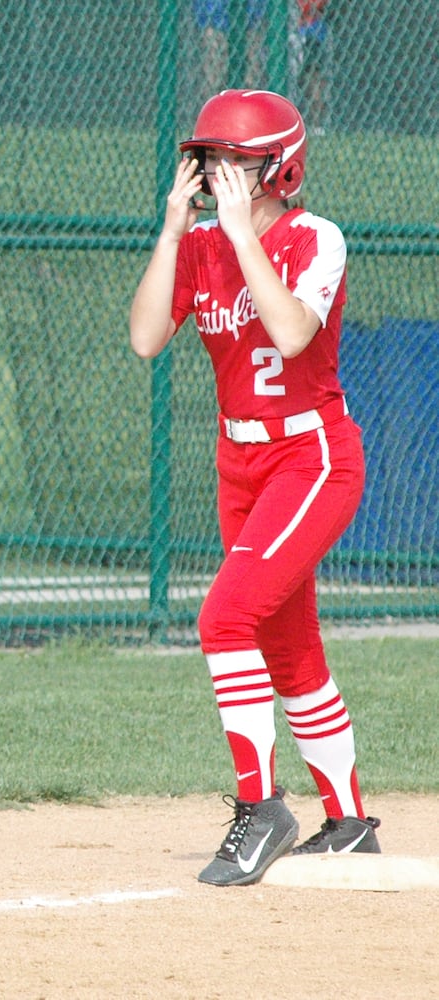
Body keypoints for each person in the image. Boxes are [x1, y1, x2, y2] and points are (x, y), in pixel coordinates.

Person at [128, 89, 378, 887]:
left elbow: (293, 332)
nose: (217, 174)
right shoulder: (199, 244)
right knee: (288, 643)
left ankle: (261, 807)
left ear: (281, 167)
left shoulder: (315, 238)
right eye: (210, 161)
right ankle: (348, 822)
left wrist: (240, 234)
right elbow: (143, 339)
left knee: (224, 615)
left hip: (312, 459)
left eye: (235, 161)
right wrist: (175, 229)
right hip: (238, 464)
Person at [194, 0, 269, 92]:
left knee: (250, 70)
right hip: (214, 19)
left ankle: (249, 95)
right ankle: (217, 97)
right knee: (216, 66)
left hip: (250, 22)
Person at [289, 0, 332, 131]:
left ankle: (317, 124)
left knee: (315, 76)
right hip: (295, 30)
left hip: (314, 29)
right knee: (297, 78)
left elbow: (314, 6)